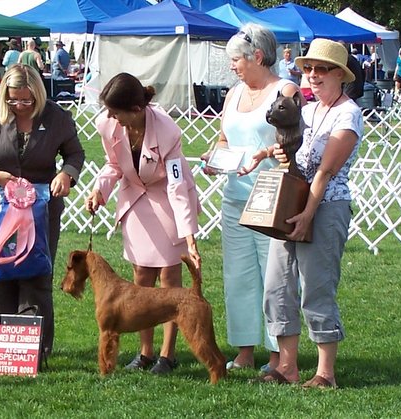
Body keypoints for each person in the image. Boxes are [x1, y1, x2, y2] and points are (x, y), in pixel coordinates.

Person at [0, 64, 85, 358]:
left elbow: (75, 153)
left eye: (26, 101)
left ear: (38, 95)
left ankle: (34, 350)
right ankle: (2, 349)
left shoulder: (56, 116)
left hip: (41, 209)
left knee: (37, 274)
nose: (19, 106)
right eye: (13, 100)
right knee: (0, 273)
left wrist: (66, 174)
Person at [261, 38, 363, 388]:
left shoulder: (348, 114)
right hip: (293, 203)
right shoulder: (307, 110)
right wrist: (278, 155)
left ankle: (325, 374)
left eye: (322, 70)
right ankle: (287, 367)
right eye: (309, 69)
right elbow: (295, 156)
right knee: (277, 284)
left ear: (340, 75)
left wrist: (307, 214)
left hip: (326, 206)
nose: (314, 76)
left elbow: (325, 172)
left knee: (316, 288)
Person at [200, 24, 302, 373]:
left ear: (257, 56)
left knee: (275, 279)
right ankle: (244, 351)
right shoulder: (233, 95)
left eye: (236, 60)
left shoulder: (285, 90)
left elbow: (293, 142)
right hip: (235, 198)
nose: (232, 66)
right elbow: (225, 140)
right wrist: (214, 159)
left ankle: (277, 356)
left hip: (273, 199)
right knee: (239, 276)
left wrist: (266, 154)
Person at [85, 72, 201, 375]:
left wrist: (188, 234)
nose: (111, 117)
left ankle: (167, 354)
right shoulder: (108, 125)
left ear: (136, 109)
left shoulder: (168, 132)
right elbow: (113, 166)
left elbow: (176, 185)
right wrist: (100, 190)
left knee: (170, 282)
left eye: (116, 112)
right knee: (140, 279)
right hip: (135, 199)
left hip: (167, 201)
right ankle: (145, 352)